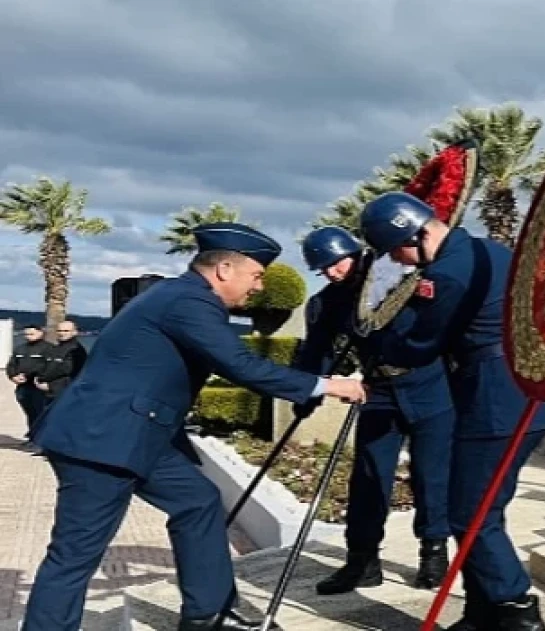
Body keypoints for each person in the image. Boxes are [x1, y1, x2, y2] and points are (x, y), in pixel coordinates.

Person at [21, 222, 368, 631]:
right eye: (255, 276)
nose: (257, 287)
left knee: (198, 500)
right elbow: (240, 365)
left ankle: (210, 612)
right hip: (102, 442)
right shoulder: (188, 301)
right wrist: (329, 385)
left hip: (138, 433)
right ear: (223, 269)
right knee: (75, 555)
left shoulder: (180, 295)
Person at [361, 191, 545, 631]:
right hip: (522, 390)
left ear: (413, 233)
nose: (398, 259)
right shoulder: (488, 249)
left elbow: (421, 344)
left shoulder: (447, 272)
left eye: (395, 248)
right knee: (473, 506)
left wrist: (378, 341)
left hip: (496, 401)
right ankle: (482, 611)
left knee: (470, 513)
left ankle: (516, 611)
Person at [291, 225, 453, 595]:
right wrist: (306, 395)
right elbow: (318, 351)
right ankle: (362, 561)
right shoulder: (328, 302)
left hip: (430, 384)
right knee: (368, 477)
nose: (333, 272)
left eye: (336, 263)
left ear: (355, 252)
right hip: (378, 390)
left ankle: (434, 553)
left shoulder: (401, 276)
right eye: (324, 269)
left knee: (433, 474)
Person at [7, 323, 53, 439]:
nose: (28, 336)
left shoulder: (49, 348)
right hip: (23, 387)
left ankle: (40, 439)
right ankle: (32, 435)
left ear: (40, 333)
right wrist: (13, 376)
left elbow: (50, 367)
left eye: (31, 334)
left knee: (40, 413)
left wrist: (35, 376)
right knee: (30, 412)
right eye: (26, 334)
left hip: (38, 387)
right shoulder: (20, 349)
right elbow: (11, 365)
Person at [38, 319, 88, 401]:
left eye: (66, 331)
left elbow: (73, 374)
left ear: (75, 332)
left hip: (65, 395)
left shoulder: (76, 350)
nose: (62, 333)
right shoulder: (55, 348)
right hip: (48, 394)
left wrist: (51, 386)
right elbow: (47, 367)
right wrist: (38, 378)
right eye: (59, 331)